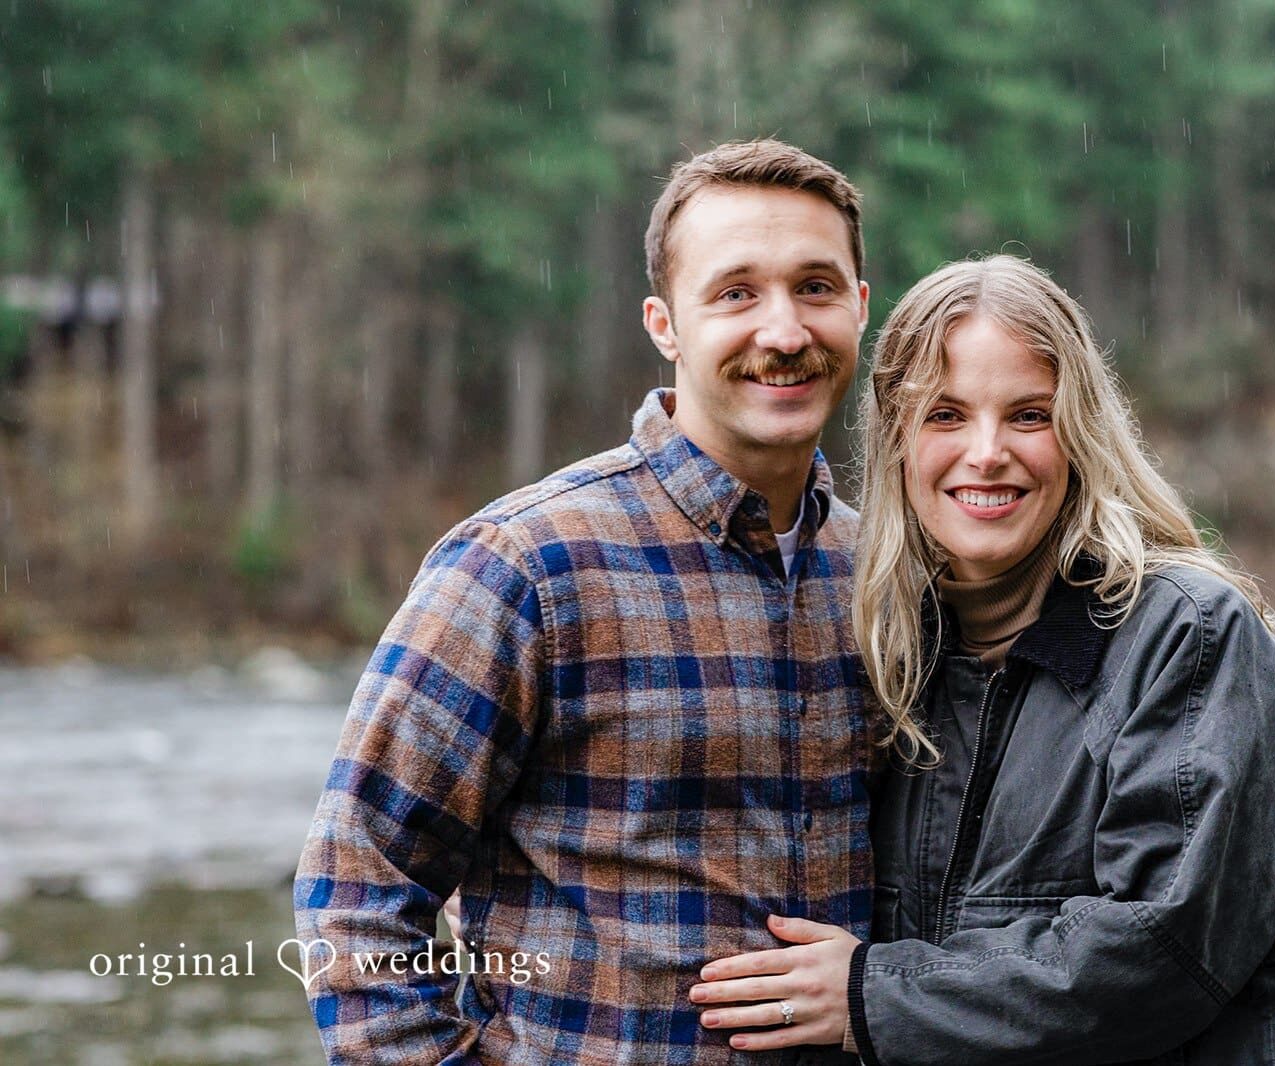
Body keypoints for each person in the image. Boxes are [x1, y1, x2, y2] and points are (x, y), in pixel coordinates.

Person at [688, 255, 1275, 1063]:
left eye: (1028, 415)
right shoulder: (899, 648)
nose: (986, 453)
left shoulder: (1185, 632)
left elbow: (1161, 950)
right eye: (946, 415)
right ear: (897, 441)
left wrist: (872, 995)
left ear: (1081, 432)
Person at [293, 139, 874, 1065]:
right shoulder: (528, 564)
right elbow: (357, 878)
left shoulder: (882, 571)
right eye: (735, 293)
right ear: (665, 323)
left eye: (815, 287)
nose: (784, 331)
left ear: (858, 307)